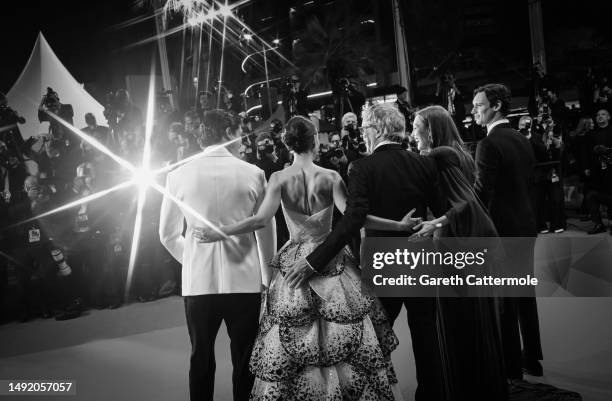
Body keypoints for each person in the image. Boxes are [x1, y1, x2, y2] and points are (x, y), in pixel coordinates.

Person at [193, 115, 417, 400]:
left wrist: (219, 231)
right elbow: (356, 218)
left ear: (287, 144)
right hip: (331, 259)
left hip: (295, 258)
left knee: (295, 334)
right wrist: (398, 225)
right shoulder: (331, 177)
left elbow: (259, 220)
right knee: (343, 332)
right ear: (314, 143)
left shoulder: (279, 178)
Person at [283, 105, 446, 401]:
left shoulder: (362, 167)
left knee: (375, 340)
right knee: (426, 335)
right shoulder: (424, 164)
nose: (363, 134)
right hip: (420, 258)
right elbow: (442, 212)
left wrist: (313, 261)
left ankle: (379, 394)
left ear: (377, 130)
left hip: (382, 264)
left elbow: (352, 220)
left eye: (366, 128)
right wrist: (429, 229)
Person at [158, 109, 276, 401]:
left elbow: (167, 235)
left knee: (200, 357)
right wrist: (267, 276)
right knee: (246, 359)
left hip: (199, 283)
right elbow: (264, 228)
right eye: (239, 132)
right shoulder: (254, 173)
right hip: (245, 281)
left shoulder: (176, 175)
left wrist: (194, 259)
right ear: (227, 133)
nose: (242, 140)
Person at [411, 105, 507, 400]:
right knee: (477, 318)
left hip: (458, 241)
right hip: (475, 239)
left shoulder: (439, 156)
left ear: (432, 129)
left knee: (459, 321)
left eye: (417, 128)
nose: (413, 134)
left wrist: (436, 222)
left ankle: (466, 389)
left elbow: (465, 202)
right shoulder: (460, 152)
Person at [471, 83, 543, 378]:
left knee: (504, 301)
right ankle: (533, 358)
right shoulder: (521, 139)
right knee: (525, 293)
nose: (473, 111)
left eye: (478, 105)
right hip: (526, 226)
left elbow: (481, 196)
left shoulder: (488, 144)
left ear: (496, 105)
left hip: (502, 232)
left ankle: (511, 365)